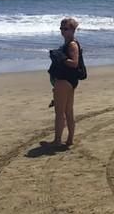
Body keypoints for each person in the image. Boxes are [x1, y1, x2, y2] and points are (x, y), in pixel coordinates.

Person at [47, 17, 84, 146]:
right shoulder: (68, 43)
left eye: (66, 28)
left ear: (73, 30)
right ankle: (69, 140)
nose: (63, 31)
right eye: (61, 28)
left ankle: (57, 140)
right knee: (68, 111)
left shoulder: (72, 44)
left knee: (60, 112)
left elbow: (74, 63)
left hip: (64, 81)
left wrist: (61, 58)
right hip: (68, 81)